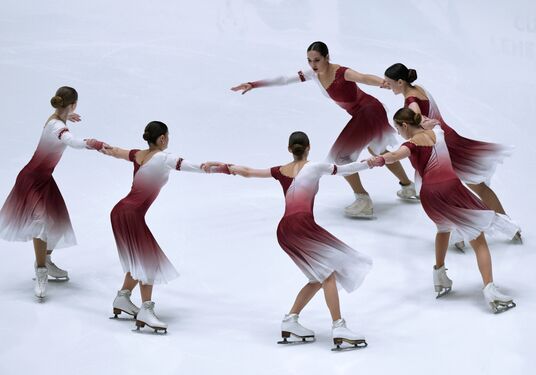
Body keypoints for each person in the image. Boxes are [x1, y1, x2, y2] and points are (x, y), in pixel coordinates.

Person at [231, 41, 416, 219]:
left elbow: (364, 77)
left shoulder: (342, 72)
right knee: (378, 150)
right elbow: (284, 79)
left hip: (369, 111)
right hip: (365, 113)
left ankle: (363, 199)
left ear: (327, 57)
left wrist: (382, 83)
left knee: (341, 158)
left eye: (317, 60)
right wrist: (254, 84)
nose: (313, 64)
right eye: (309, 61)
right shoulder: (312, 74)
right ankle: (408, 186)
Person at [228, 131, 372, 350]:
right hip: (302, 226)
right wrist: (374, 162)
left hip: (284, 230)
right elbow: (346, 169)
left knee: (317, 279)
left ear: (289, 149)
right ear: (308, 147)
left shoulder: (281, 171)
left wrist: (225, 167)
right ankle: (339, 327)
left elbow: (247, 172)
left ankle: (291, 320)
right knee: (329, 274)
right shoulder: (314, 167)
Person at [367, 108, 518, 313]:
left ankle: (439, 275)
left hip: (430, 195)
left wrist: (380, 159)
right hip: (451, 190)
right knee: (478, 240)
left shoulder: (410, 144)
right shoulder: (438, 134)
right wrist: (430, 124)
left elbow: (394, 155)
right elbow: (436, 125)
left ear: (404, 125)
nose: (398, 132)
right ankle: (490, 289)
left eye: (397, 128)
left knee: (443, 229)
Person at [100, 121, 229, 333]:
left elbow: (112, 151)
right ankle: (146, 311)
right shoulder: (164, 158)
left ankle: (122, 299)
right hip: (131, 215)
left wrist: (96, 144)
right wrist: (223, 168)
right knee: (147, 262)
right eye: (167, 136)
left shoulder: (137, 154)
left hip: (119, 212)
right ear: (162, 139)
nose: (168, 140)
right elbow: (199, 167)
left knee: (138, 260)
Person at [383, 63, 521, 249]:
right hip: (448, 140)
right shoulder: (418, 88)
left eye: (390, 83)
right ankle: (485, 229)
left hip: (443, 149)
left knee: (439, 191)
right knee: (469, 187)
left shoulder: (411, 101)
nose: (388, 86)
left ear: (400, 82)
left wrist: (420, 129)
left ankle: (487, 229)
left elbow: (416, 123)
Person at [0, 86, 104, 300]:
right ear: (73, 104)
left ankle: (46, 260)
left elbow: (58, 122)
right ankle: (41, 271)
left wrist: (67, 115)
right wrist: (92, 144)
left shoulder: (55, 118)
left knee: (56, 223)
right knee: (40, 225)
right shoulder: (58, 127)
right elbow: (71, 142)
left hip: (44, 180)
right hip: (31, 181)